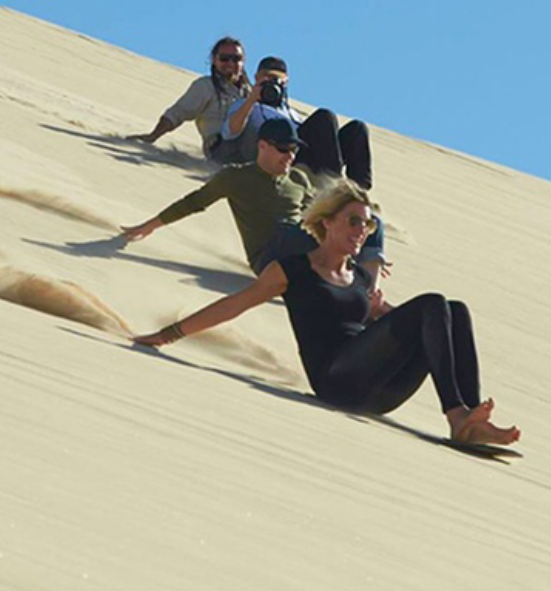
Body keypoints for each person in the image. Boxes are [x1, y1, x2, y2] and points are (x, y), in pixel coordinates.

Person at [133, 181, 520, 451]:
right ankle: (457, 417)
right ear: (327, 222)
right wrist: (170, 334)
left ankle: (472, 423)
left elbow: (422, 325)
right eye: (354, 221)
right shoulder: (293, 270)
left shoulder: (359, 279)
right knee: (434, 302)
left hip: (380, 390)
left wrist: (386, 312)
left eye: (367, 224)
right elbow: (236, 303)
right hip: (336, 380)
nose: (362, 231)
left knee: (455, 310)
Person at [120, 119, 387, 281]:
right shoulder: (236, 176)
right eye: (283, 149)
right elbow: (193, 202)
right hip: (269, 255)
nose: (290, 156)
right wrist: (149, 226)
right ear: (262, 146)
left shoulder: (298, 179)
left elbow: (319, 218)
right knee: (298, 232)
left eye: (294, 150)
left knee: (369, 222)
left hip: (303, 247)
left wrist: (360, 243)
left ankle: (366, 288)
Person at [220, 56, 374, 187]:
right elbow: (230, 132)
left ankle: (358, 190)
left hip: (300, 154)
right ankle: (331, 181)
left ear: (285, 82)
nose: (271, 82)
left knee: (357, 129)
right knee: (325, 116)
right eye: (266, 77)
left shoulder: (292, 113)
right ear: (256, 78)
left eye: (276, 78)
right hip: (275, 157)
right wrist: (252, 100)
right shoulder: (245, 105)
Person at [125, 38, 252, 162]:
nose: (230, 63)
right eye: (224, 58)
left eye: (236, 59)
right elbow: (179, 112)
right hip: (221, 148)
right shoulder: (206, 86)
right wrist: (153, 136)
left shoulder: (250, 92)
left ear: (243, 61)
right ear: (214, 60)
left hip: (250, 147)